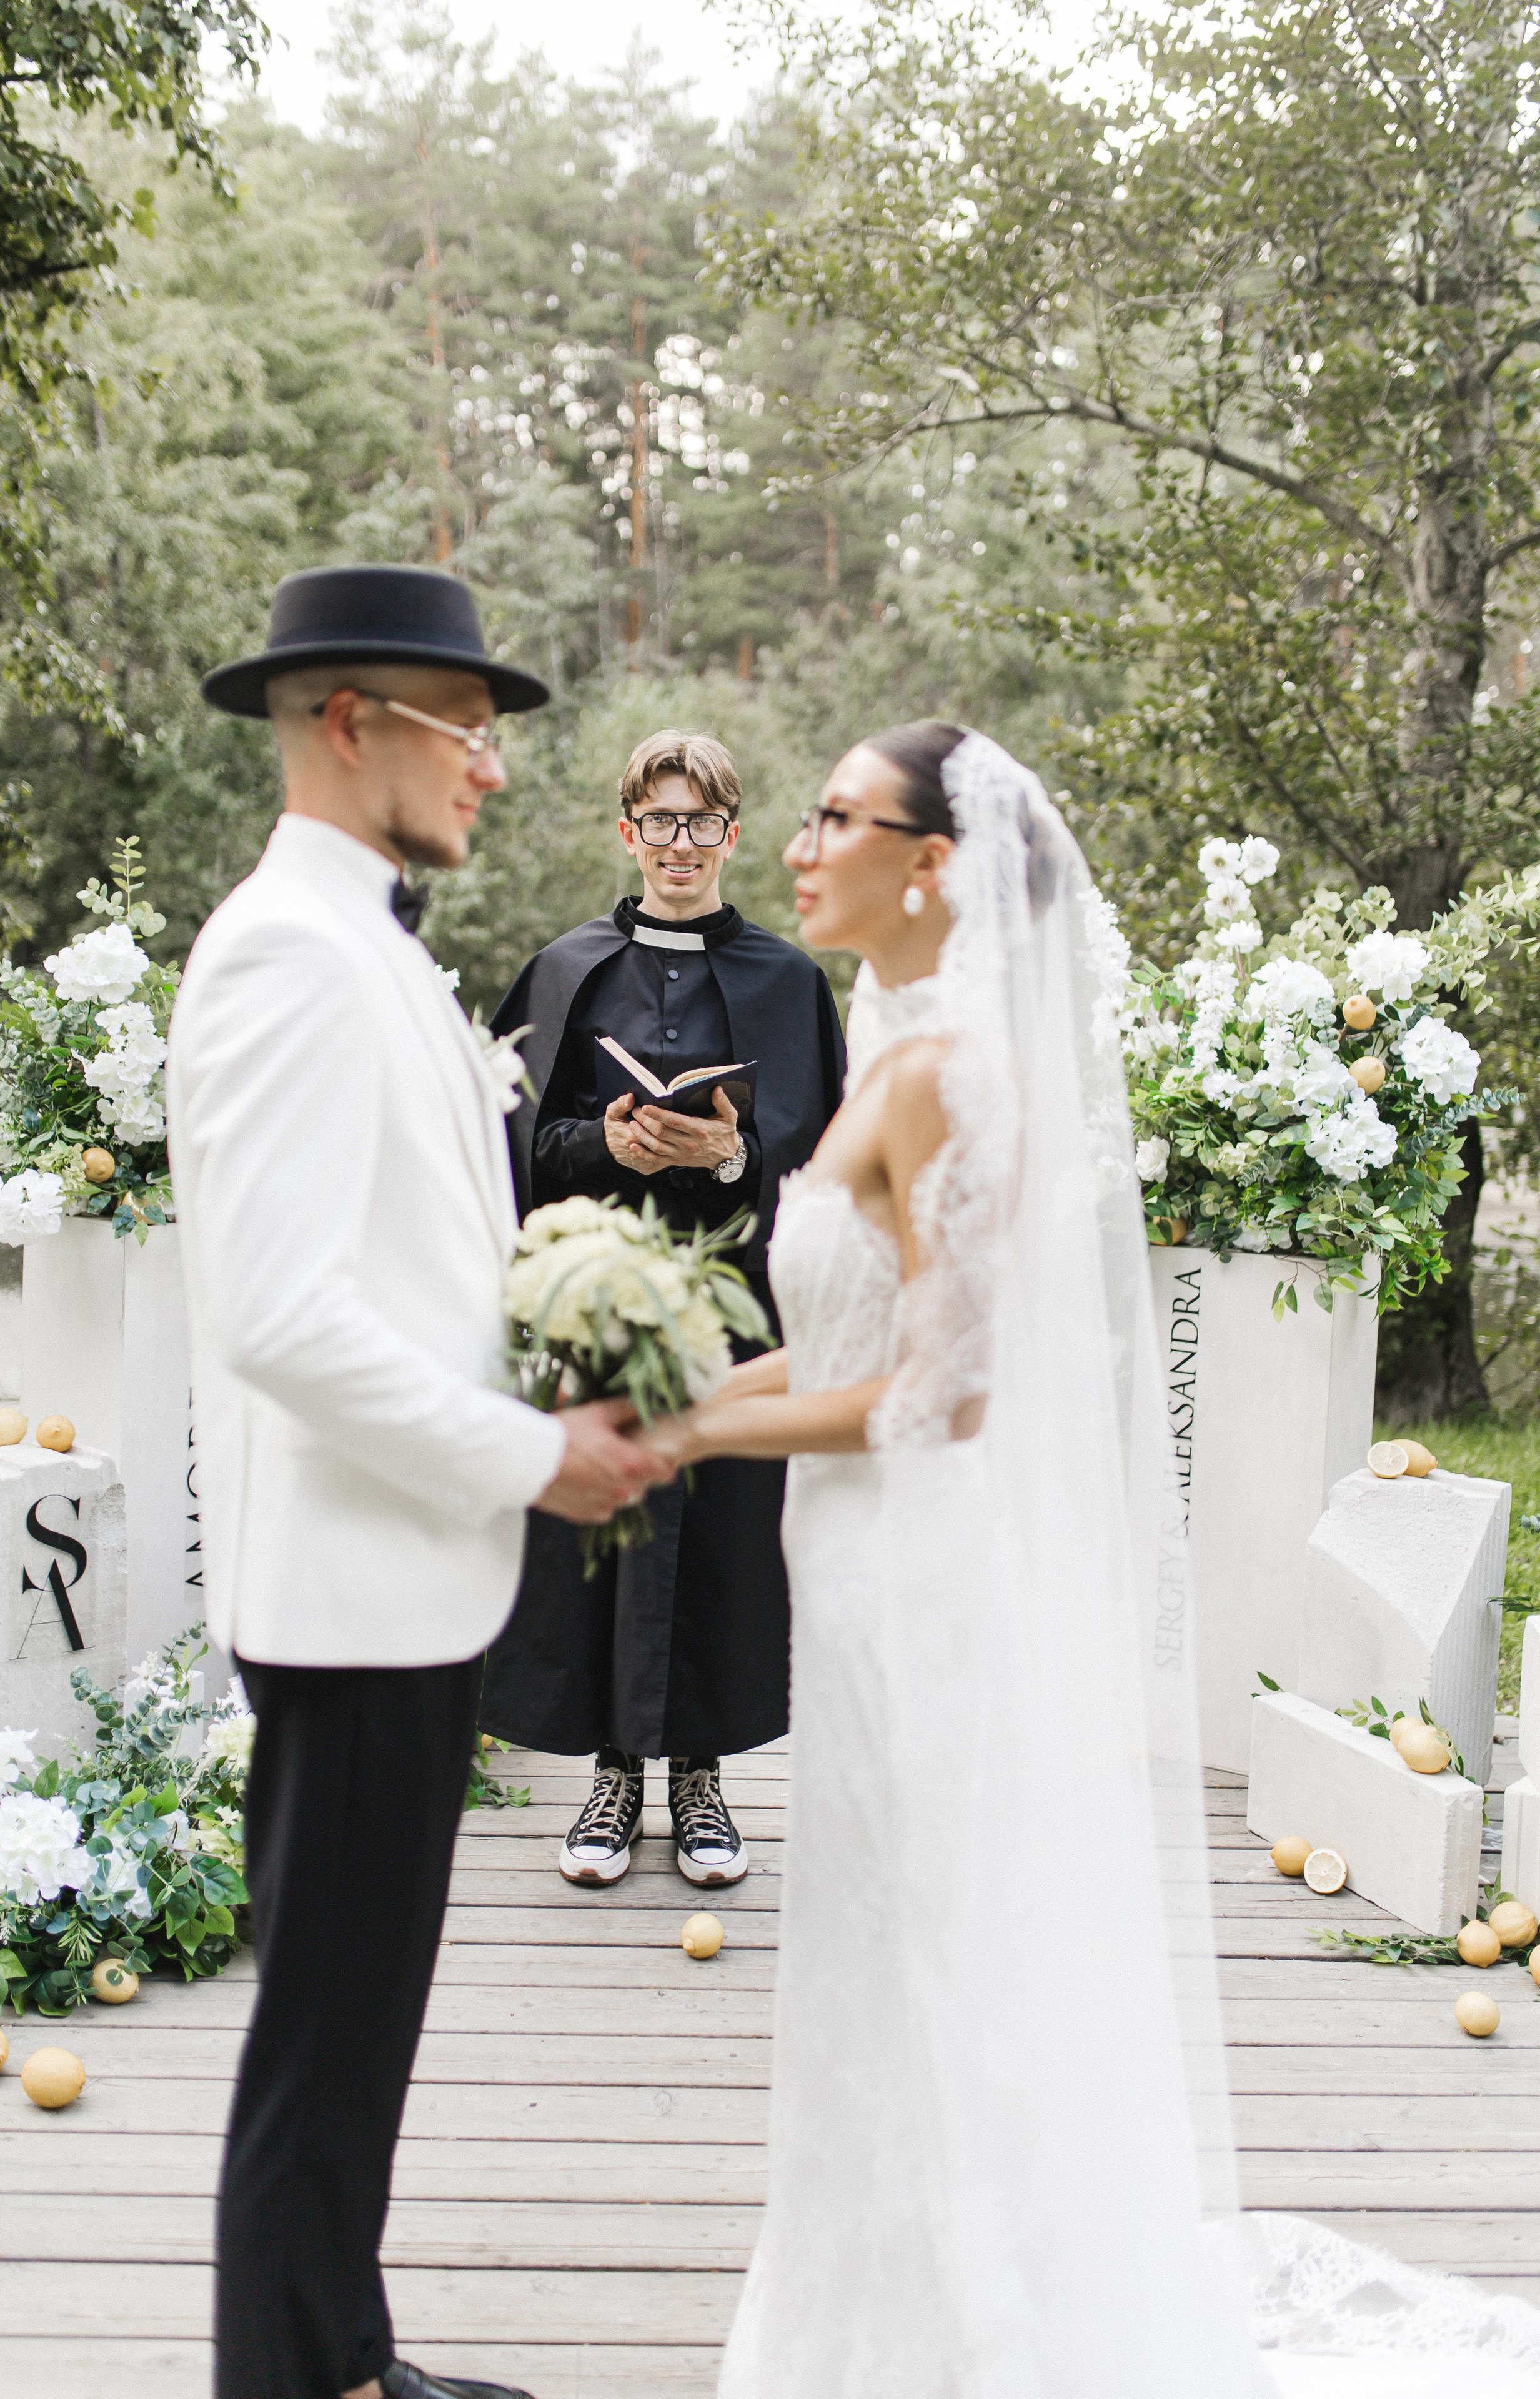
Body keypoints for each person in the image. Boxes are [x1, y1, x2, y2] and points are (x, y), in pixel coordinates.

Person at [647, 721, 1540, 2397]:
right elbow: (849, 1334)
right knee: (868, 1953)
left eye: (837, 816)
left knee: (927, 1955)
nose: (796, 843)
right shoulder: (889, 1038)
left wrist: (692, 1438)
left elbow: (944, 1393)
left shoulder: (959, 1072)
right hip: (846, 1577)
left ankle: (968, 2336)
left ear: (937, 866)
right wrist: (675, 1393)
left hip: (922, 1584)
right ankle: (868, 2305)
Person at [170, 564, 666, 2399]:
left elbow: (397, 1267)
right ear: (346, 723)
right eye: (463, 726)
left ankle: (346, 2364)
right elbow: (282, 1319)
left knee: (361, 2036)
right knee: (319, 2051)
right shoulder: (290, 956)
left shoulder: (369, 944)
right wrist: (536, 1457)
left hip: (405, 1581)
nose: (495, 767)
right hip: (360, 1594)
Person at [479, 729, 845, 1888]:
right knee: (604, 1531)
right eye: (659, 823)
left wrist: (738, 1150)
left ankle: (700, 1785)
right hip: (602, 1297)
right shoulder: (562, 968)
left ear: (731, 836)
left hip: (738, 1308)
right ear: (626, 832)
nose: (679, 845)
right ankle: (611, 1780)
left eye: (701, 824)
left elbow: (829, 1150)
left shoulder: (789, 981)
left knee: (727, 1539)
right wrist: (612, 1137)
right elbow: (516, 1138)